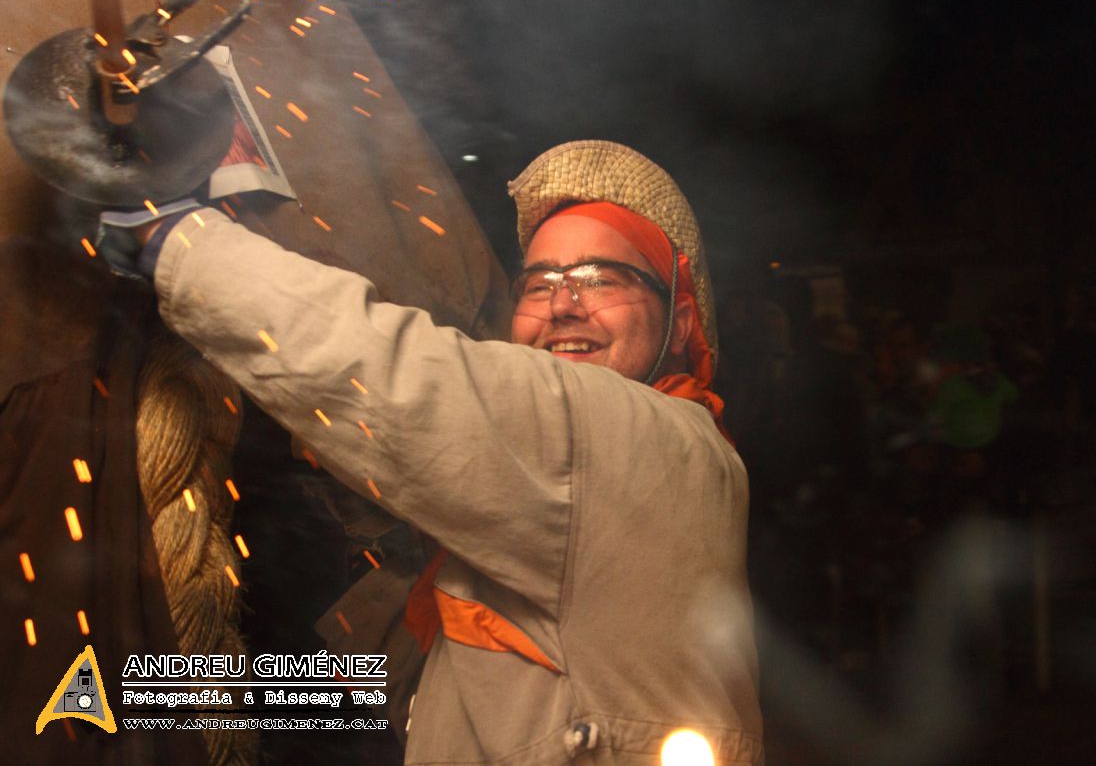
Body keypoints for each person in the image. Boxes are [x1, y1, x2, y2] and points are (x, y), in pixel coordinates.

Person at [128, 140, 764, 764]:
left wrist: (170, 238)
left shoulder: (640, 441)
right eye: (539, 284)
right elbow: (434, 685)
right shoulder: (626, 486)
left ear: (680, 324)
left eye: (603, 279)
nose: (564, 305)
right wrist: (179, 684)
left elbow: (393, 370)